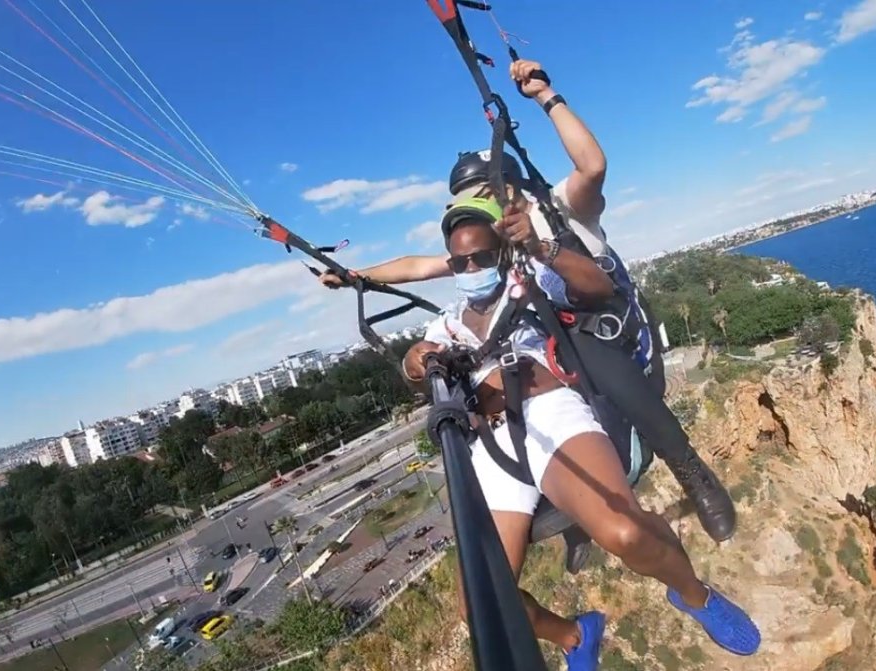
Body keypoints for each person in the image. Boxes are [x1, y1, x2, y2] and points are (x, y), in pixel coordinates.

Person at [321, 57, 735, 543]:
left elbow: (593, 166)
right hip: (546, 333)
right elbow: (420, 266)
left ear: (507, 186)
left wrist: (544, 96)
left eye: (478, 193)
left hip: (601, 321)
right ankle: (566, 514)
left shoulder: (561, 208)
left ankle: (690, 469)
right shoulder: (492, 243)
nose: (471, 208)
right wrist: (356, 276)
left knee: (595, 360)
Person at [403, 197, 759, 669]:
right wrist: (416, 360)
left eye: (481, 257)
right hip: (493, 444)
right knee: (481, 606)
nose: (471, 267)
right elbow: (414, 367)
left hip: (550, 415)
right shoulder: (445, 325)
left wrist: (539, 246)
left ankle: (695, 595)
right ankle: (573, 636)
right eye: (460, 261)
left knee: (626, 532)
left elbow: (596, 286)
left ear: (500, 255)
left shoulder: (527, 284)